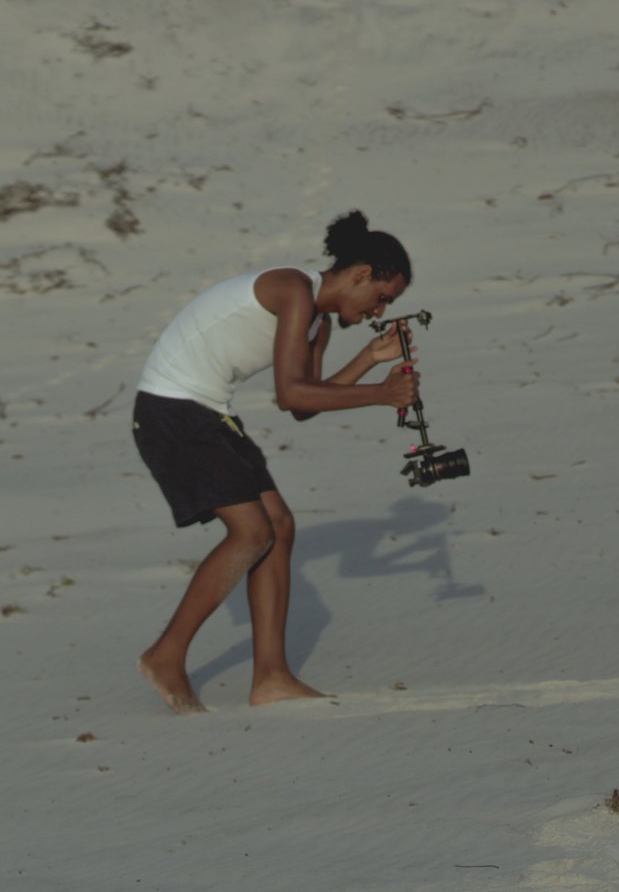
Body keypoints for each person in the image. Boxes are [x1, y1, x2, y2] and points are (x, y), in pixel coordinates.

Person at [132, 211, 420, 713]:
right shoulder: (293, 289)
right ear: (360, 274)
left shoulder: (319, 322)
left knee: (279, 525)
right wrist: (381, 394)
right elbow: (290, 394)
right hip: (172, 409)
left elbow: (306, 405)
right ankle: (165, 654)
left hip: (207, 412)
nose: (379, 311)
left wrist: (370, 364)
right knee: (251, 533)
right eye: (382, 297)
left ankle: (271, 677)